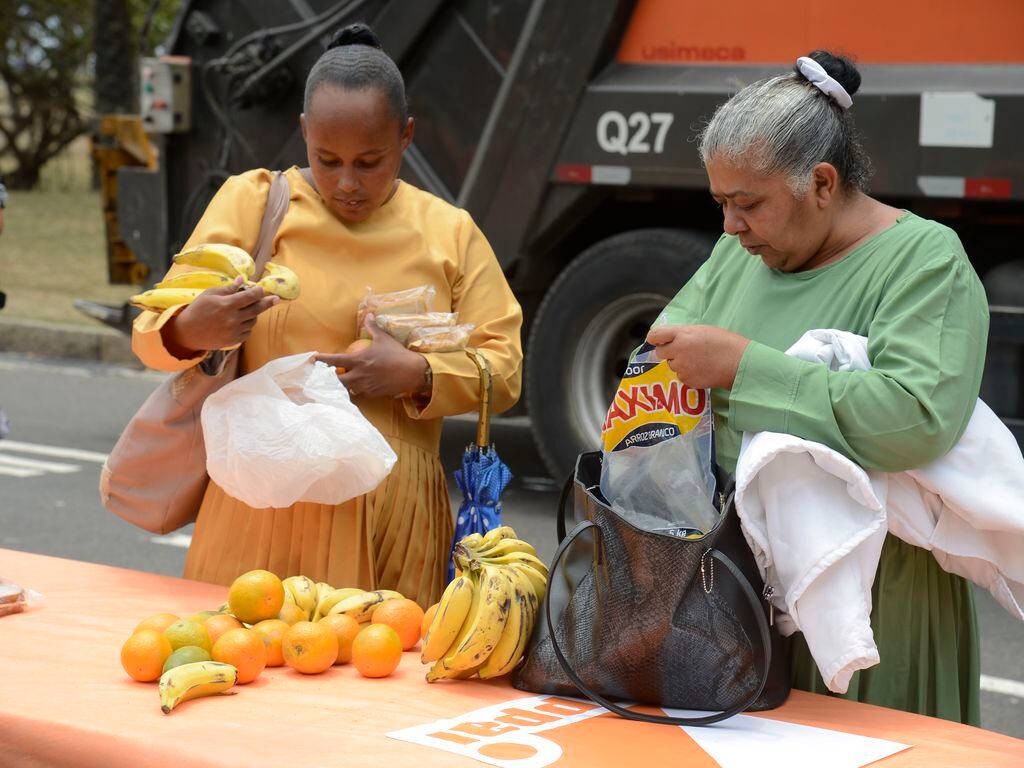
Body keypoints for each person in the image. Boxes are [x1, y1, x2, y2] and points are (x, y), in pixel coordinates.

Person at [131, 24, 523, 608]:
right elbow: (149, 336)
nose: (347, 184)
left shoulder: (449, 232)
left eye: (370, 162)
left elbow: (505, 366)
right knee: (237, 670)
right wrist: (193, 328)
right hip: (261, 503)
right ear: (304, 133)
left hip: (390, 517)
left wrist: (418, 376)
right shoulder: (254, 203)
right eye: (327, 159)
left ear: (407, 137)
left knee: (373, 684)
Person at [646, 50, 987, 724]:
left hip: (872, 596)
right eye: (721, 204)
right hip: (737, 584)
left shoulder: (924, 261)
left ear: (822, 183)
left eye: (749, 205)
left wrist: (745, 368)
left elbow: (915, 420)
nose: (730, 228)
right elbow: (665, 357)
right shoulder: (736, 255)